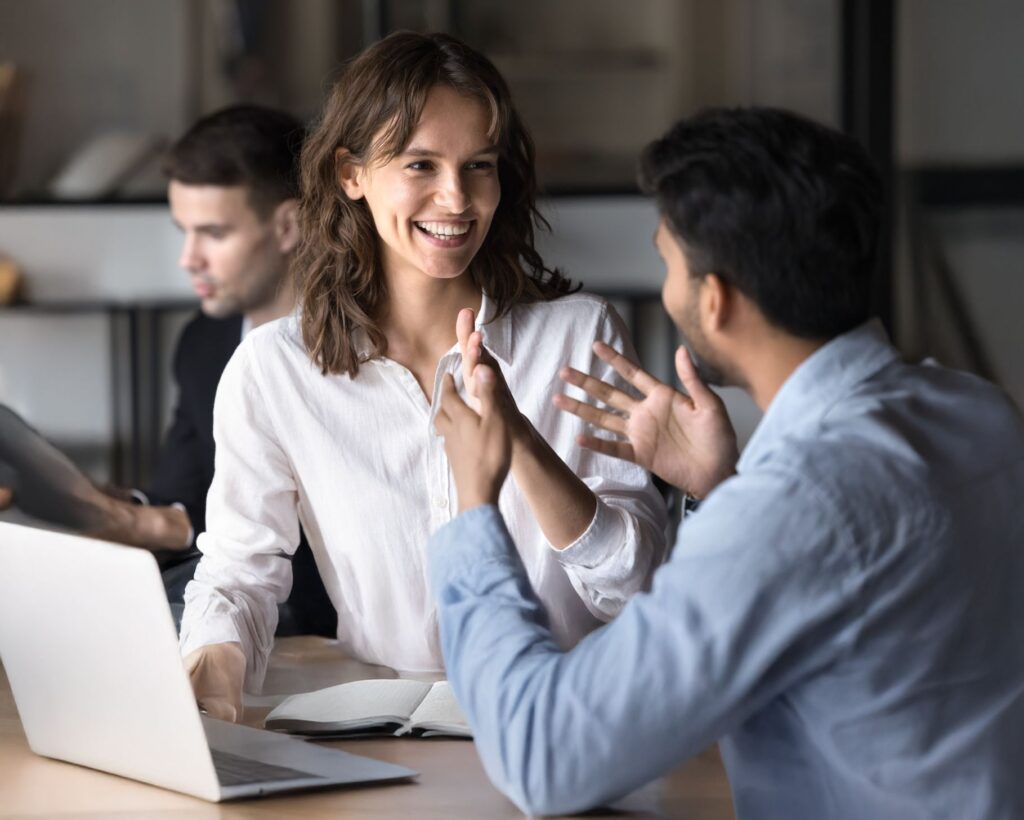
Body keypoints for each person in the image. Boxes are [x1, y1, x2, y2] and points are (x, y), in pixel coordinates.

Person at [427, 107, 1024, 818]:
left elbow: (543, 754)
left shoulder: (797, 507)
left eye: (667, 262)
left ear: (716, 301)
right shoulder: (981, 415)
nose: (668, 284)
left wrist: (474, 506)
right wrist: (723, 487)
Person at [179, 31, 667, 722]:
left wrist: (520, 443)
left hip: (571, 719)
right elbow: (239, 572)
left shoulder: (578, 335)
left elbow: (637, 587)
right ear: (351, 174)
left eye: (479, 166)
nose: (456, 198)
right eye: (420, 165)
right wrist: (210, 675)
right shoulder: (274, 369)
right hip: (386, 733)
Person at [0, 106, 335, 637]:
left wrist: (149, 524)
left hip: (314, 611)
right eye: (184, 231)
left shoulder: (357, 349)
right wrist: (94, 501)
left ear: (289, 225)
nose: (188, 258)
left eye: (213, 233)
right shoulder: (205, 344)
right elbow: (185, 490)